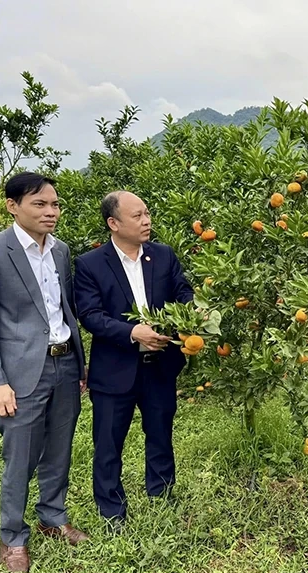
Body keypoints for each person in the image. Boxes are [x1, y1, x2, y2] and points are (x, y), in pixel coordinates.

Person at [0, 172, 89, 573]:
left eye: (55, 205)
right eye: (40, 204)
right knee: (20, 456)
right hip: (19, 372)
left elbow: (63, 310)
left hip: (65, 363)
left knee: (59, 448)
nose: (51, 212)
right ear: (12, 205)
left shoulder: (61, 251)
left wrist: (80, 365)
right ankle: (12, 537)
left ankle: (52, 516)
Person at [73, 190, 193, 529]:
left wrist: (188, 313)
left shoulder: (163, 256)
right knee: (109, 443)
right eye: (137, 215)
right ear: (114, 223)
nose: (146, 220)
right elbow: (91, 315)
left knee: (160, 433)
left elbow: (182, 291)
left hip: (160, 365)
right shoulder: (90, 264)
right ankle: (112, 511)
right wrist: (132, 332)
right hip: (115, 370)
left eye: (147, 213)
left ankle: (162, 494)